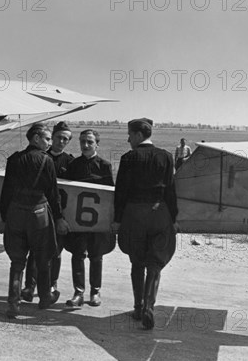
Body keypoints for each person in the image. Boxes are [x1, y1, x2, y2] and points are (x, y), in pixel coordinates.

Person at [113, 118, 178, 330]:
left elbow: (120, 192)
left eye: (130, 134)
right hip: (160, 213)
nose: (128, 138)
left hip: (135, 214)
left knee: (136, 261)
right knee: (155, 263)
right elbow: (171, 190)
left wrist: (117, 219)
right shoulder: (166, 156)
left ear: (139, 135)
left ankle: (138, 307)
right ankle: (150, 305)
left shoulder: (128, 158)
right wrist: (173, 218)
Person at [0, 123, 69, 318]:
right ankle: (45, 297)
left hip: (15, 212)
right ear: (36, 138)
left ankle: (13, 303)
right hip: (38, 213)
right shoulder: (47, 161)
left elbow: (6, 191)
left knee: (17, 261)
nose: (49, 143)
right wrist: (59, 217)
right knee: (43, 256)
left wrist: (4, 218)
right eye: (47, 139)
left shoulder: (14, 159)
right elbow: (53, 194)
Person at [21, 121, 74, 302]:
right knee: (34, 251)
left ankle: (52, 284)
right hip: (39, 210)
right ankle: (30, 286)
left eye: (65, 139)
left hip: (59, 212)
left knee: (56, 251)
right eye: (58, 137)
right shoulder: (41, 156)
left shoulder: (70, 162)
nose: (61, 142)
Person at [63, 129, 115, 307]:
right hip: (77, 220)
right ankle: (78, 292)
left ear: (97, 144)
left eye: (89, 142)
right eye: (82, 141)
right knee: (77, 254)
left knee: (96, 255)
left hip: (97, 221)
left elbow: (110, 196)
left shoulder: (105, 166)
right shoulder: (73, 165)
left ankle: (95, 291)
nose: (85, 145)